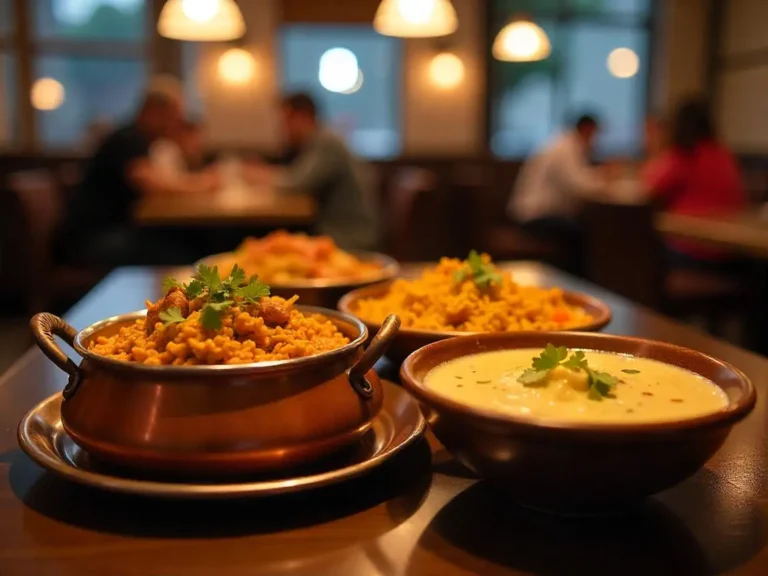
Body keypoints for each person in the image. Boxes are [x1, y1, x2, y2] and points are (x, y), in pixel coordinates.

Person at [59, 76, 219, 266]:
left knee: (190, 243)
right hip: (91, 240)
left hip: (112, 231)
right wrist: (202, 184)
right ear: (154, 112)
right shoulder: (128, 139)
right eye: (174, 115)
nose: (177, 123)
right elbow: (155, 186)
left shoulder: (140, 140)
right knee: (182, 252)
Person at [244, 92, 378, 251]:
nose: (283, 129)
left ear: (303, 116)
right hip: (335, 229)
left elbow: (296, 183)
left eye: (286, 121)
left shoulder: (326, 142)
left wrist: (260, 176)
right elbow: (297, 176)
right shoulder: (318, 140)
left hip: (348, 235)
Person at [642, 97, 746, 268]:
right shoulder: (723, 153)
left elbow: (649, 187)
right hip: (731, 250)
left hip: (692, 248)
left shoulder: (685, 154)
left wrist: (656, 149)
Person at [507, 114, 609, 275]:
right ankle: (576, 281)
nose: (595, 141)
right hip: (534, 215)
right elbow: (578, 186)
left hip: (538, 213)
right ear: (587, 129)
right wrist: (604, 177)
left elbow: (578, 180)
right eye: (595, 134)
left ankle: (572, 278)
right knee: (579, 233)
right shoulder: (566, 147)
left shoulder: (564, 144)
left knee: (580, 228)